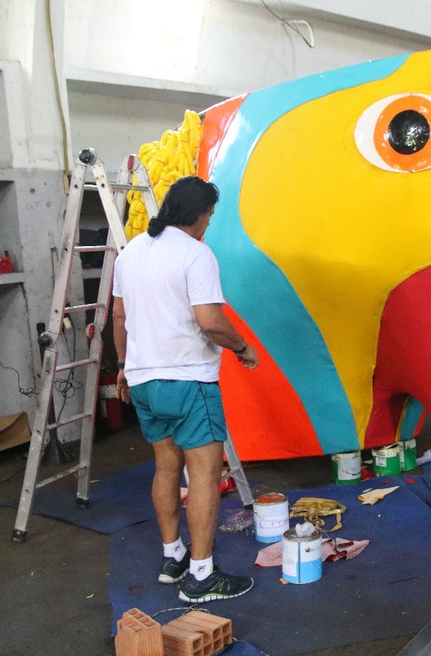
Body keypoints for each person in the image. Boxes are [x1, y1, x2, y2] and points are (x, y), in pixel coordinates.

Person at [112, 176, 259, 602]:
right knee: (205, 476)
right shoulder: (196, 254)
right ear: (197, 214)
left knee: (165, 468)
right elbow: (210, 320)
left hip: (142, 380)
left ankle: (172, 555)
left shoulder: (132, 251)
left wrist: (123, 366)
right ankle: (201, 574)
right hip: (188, 381)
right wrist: (243, 347)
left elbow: (119, 318)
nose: (210, 223)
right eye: (210, 215)